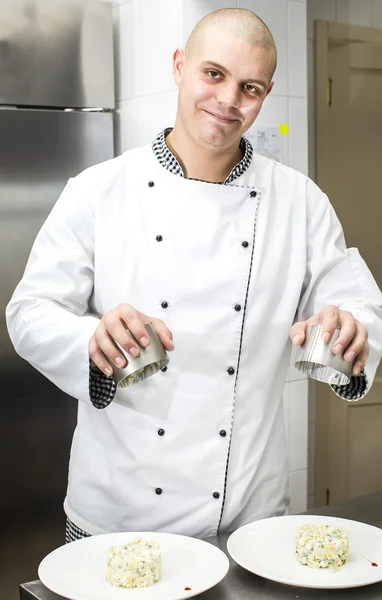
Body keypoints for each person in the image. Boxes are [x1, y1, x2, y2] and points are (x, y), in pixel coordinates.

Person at [6, 8, 382, 543]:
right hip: (117, 516)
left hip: (249, 520)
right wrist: (94, 339)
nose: (229, 100)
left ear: (267, 93)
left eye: (249, 87)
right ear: (180, 66)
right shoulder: (99, 189)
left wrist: (349, 328)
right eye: (214, 74)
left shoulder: (300, 202)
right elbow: (29, 312)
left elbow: (359, 306)